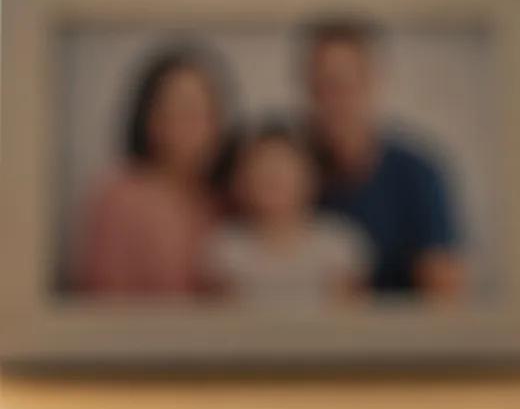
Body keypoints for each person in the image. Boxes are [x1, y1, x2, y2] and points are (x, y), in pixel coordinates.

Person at [304, 19, 465, 298]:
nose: (334, 99)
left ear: (374, 81)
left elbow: (445, 293)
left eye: (346, 84)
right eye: (324, 85)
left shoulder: (417, 174)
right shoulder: (288, 167)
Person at [77, 47, 230, 296]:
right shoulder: (120, 198)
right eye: (182, 111)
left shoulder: (224, 199)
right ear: (150, 119)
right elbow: (102, 302)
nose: (195, 126)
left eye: (205, 112)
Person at [204, 122, 370, 305]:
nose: (273, 177)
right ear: (240, 180)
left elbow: (351, 321)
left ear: (311, 177)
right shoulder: (225, 249)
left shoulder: (339, 244)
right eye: (261, 167)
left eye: (284, 167)